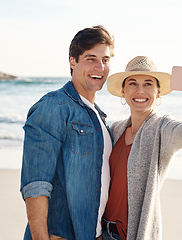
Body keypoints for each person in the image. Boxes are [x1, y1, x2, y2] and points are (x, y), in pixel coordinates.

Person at [102, 56, 182, 240]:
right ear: (123, 91)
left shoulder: (162, 127)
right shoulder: (115, 129)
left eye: (148, 84)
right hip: (102, 232)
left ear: (158, 92)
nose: (140, 90)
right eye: (133, 83)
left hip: (133, 234)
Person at [20, 25, 115, 240]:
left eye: (105, 60)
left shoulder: (99, 117)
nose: (100, 67)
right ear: (73, 61)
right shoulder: (53, 106)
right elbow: (36, 185)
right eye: (91, 58)